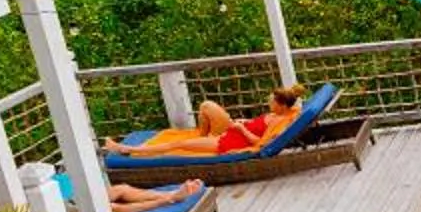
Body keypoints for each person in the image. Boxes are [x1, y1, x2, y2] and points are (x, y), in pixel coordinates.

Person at [0, 159, 197, 212]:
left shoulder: (0, 183)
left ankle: (166, 194)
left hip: (60, 200)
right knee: (109, 208)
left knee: (120, 188)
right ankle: (171, 199)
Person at [120, 82, 310, 156]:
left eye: (272, 102)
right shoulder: (279, 114)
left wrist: (242, 129)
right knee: (183, 140)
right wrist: (244, 123)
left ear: (282, 105)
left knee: (177, 145)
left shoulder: (279, 121)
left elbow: (260, 143)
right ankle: (133, 149)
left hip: (225, 143)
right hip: (229, 134)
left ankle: (131, 150)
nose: (269, 104)